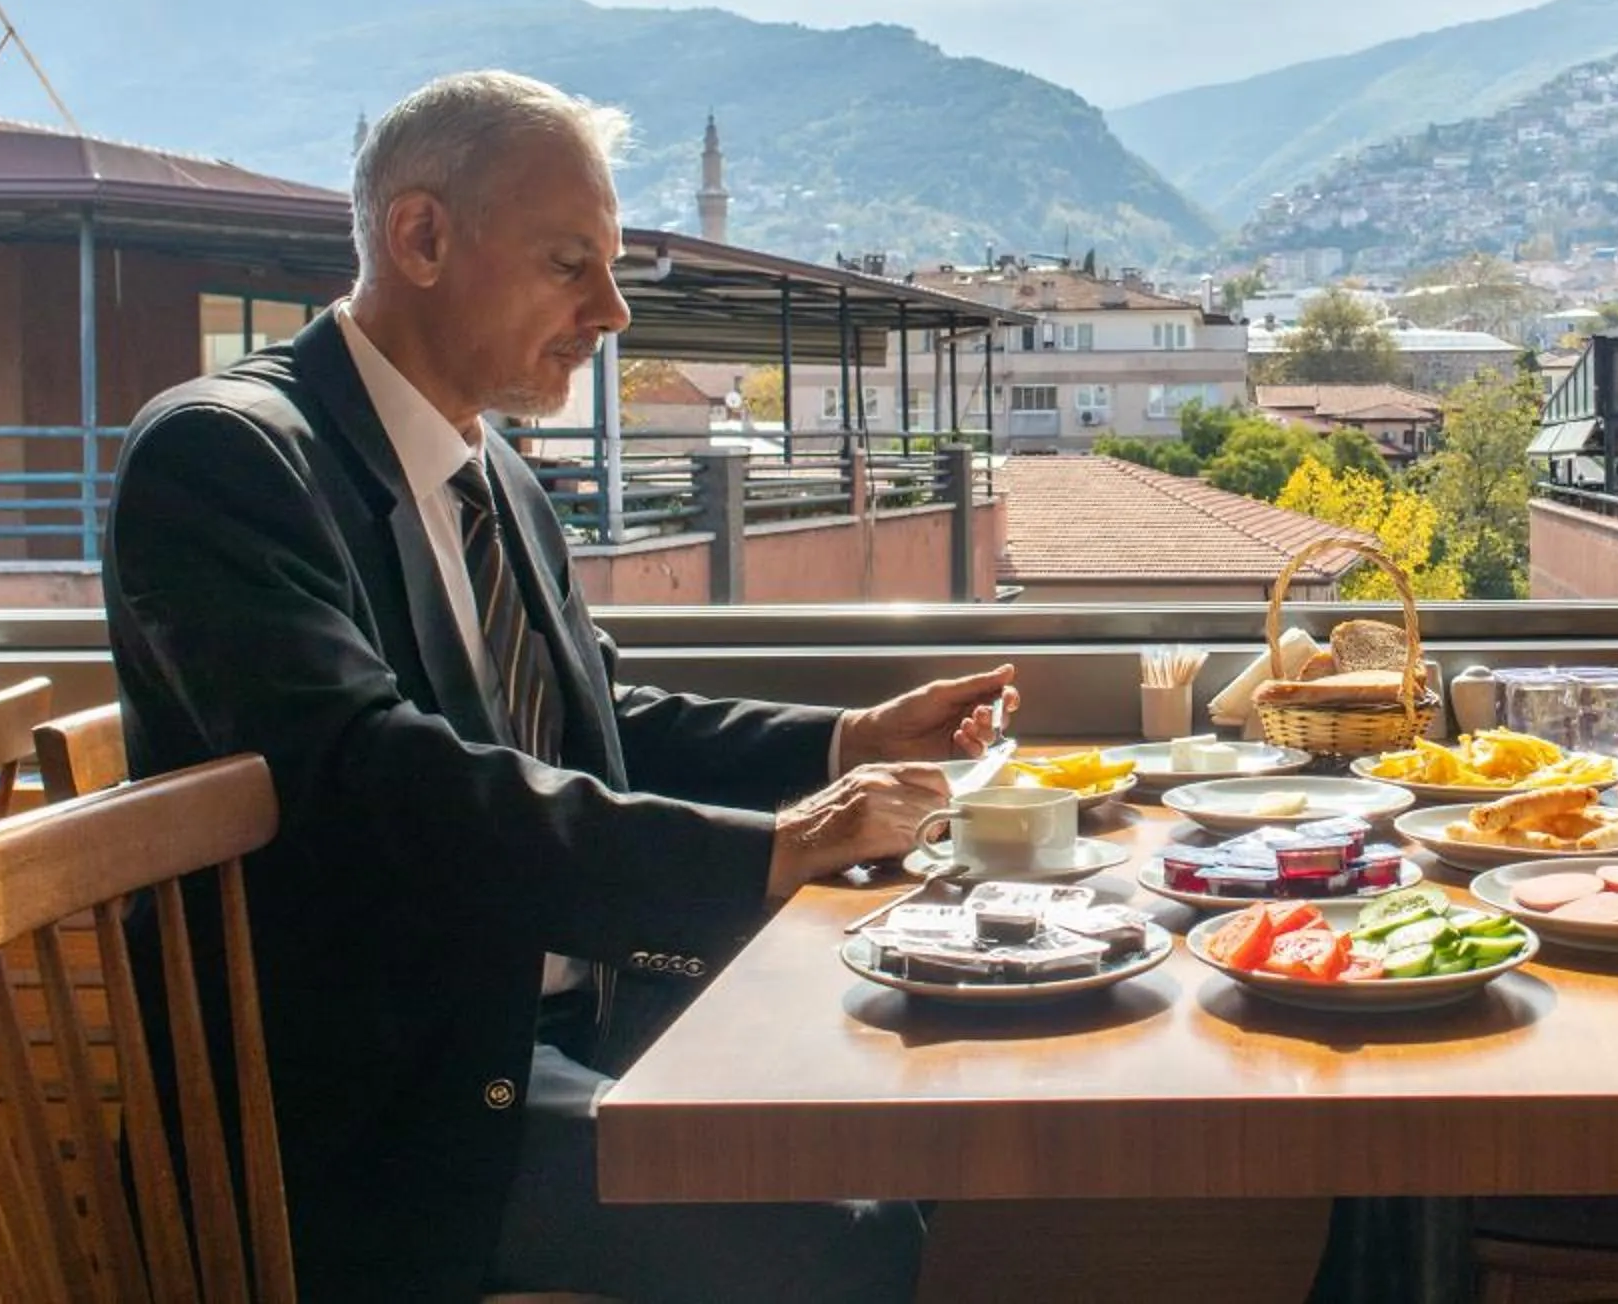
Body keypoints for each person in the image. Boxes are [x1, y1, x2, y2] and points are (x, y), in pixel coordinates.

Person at [105, 69, 996, 1303]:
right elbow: (377, 782)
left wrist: (846, 740)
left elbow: (597, 720)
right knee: (850, 1225)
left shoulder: (496, 474)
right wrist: (776, 849)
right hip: (389, 1120)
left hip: (561, 1031)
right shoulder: (227, 457)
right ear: (421, 237)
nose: (611, 312)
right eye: (571, 264)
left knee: (921, 1118)